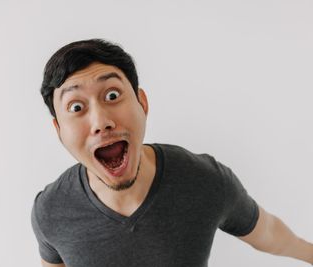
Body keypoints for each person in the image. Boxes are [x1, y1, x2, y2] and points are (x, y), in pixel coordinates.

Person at [31, 39, 313, 267]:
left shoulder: (204, 180)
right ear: (59, 130)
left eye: (112, 95)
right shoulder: (51, 210)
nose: (101, 121)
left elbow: (269, 233)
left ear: (142, 103)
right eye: (76, 108)